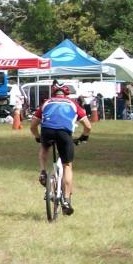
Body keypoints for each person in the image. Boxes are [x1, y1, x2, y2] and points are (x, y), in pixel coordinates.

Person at [28, 82, 92, 216]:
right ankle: (67, 200)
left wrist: (38, 137)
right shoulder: (73, 103)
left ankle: (43, 171)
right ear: (66, 93)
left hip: (47, 131)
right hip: (64, 133)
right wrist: (83, 137)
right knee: (67, 165)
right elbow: (88, 126)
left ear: (53, 93)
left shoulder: (46, 103)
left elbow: (33, 125)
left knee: (44, 148)